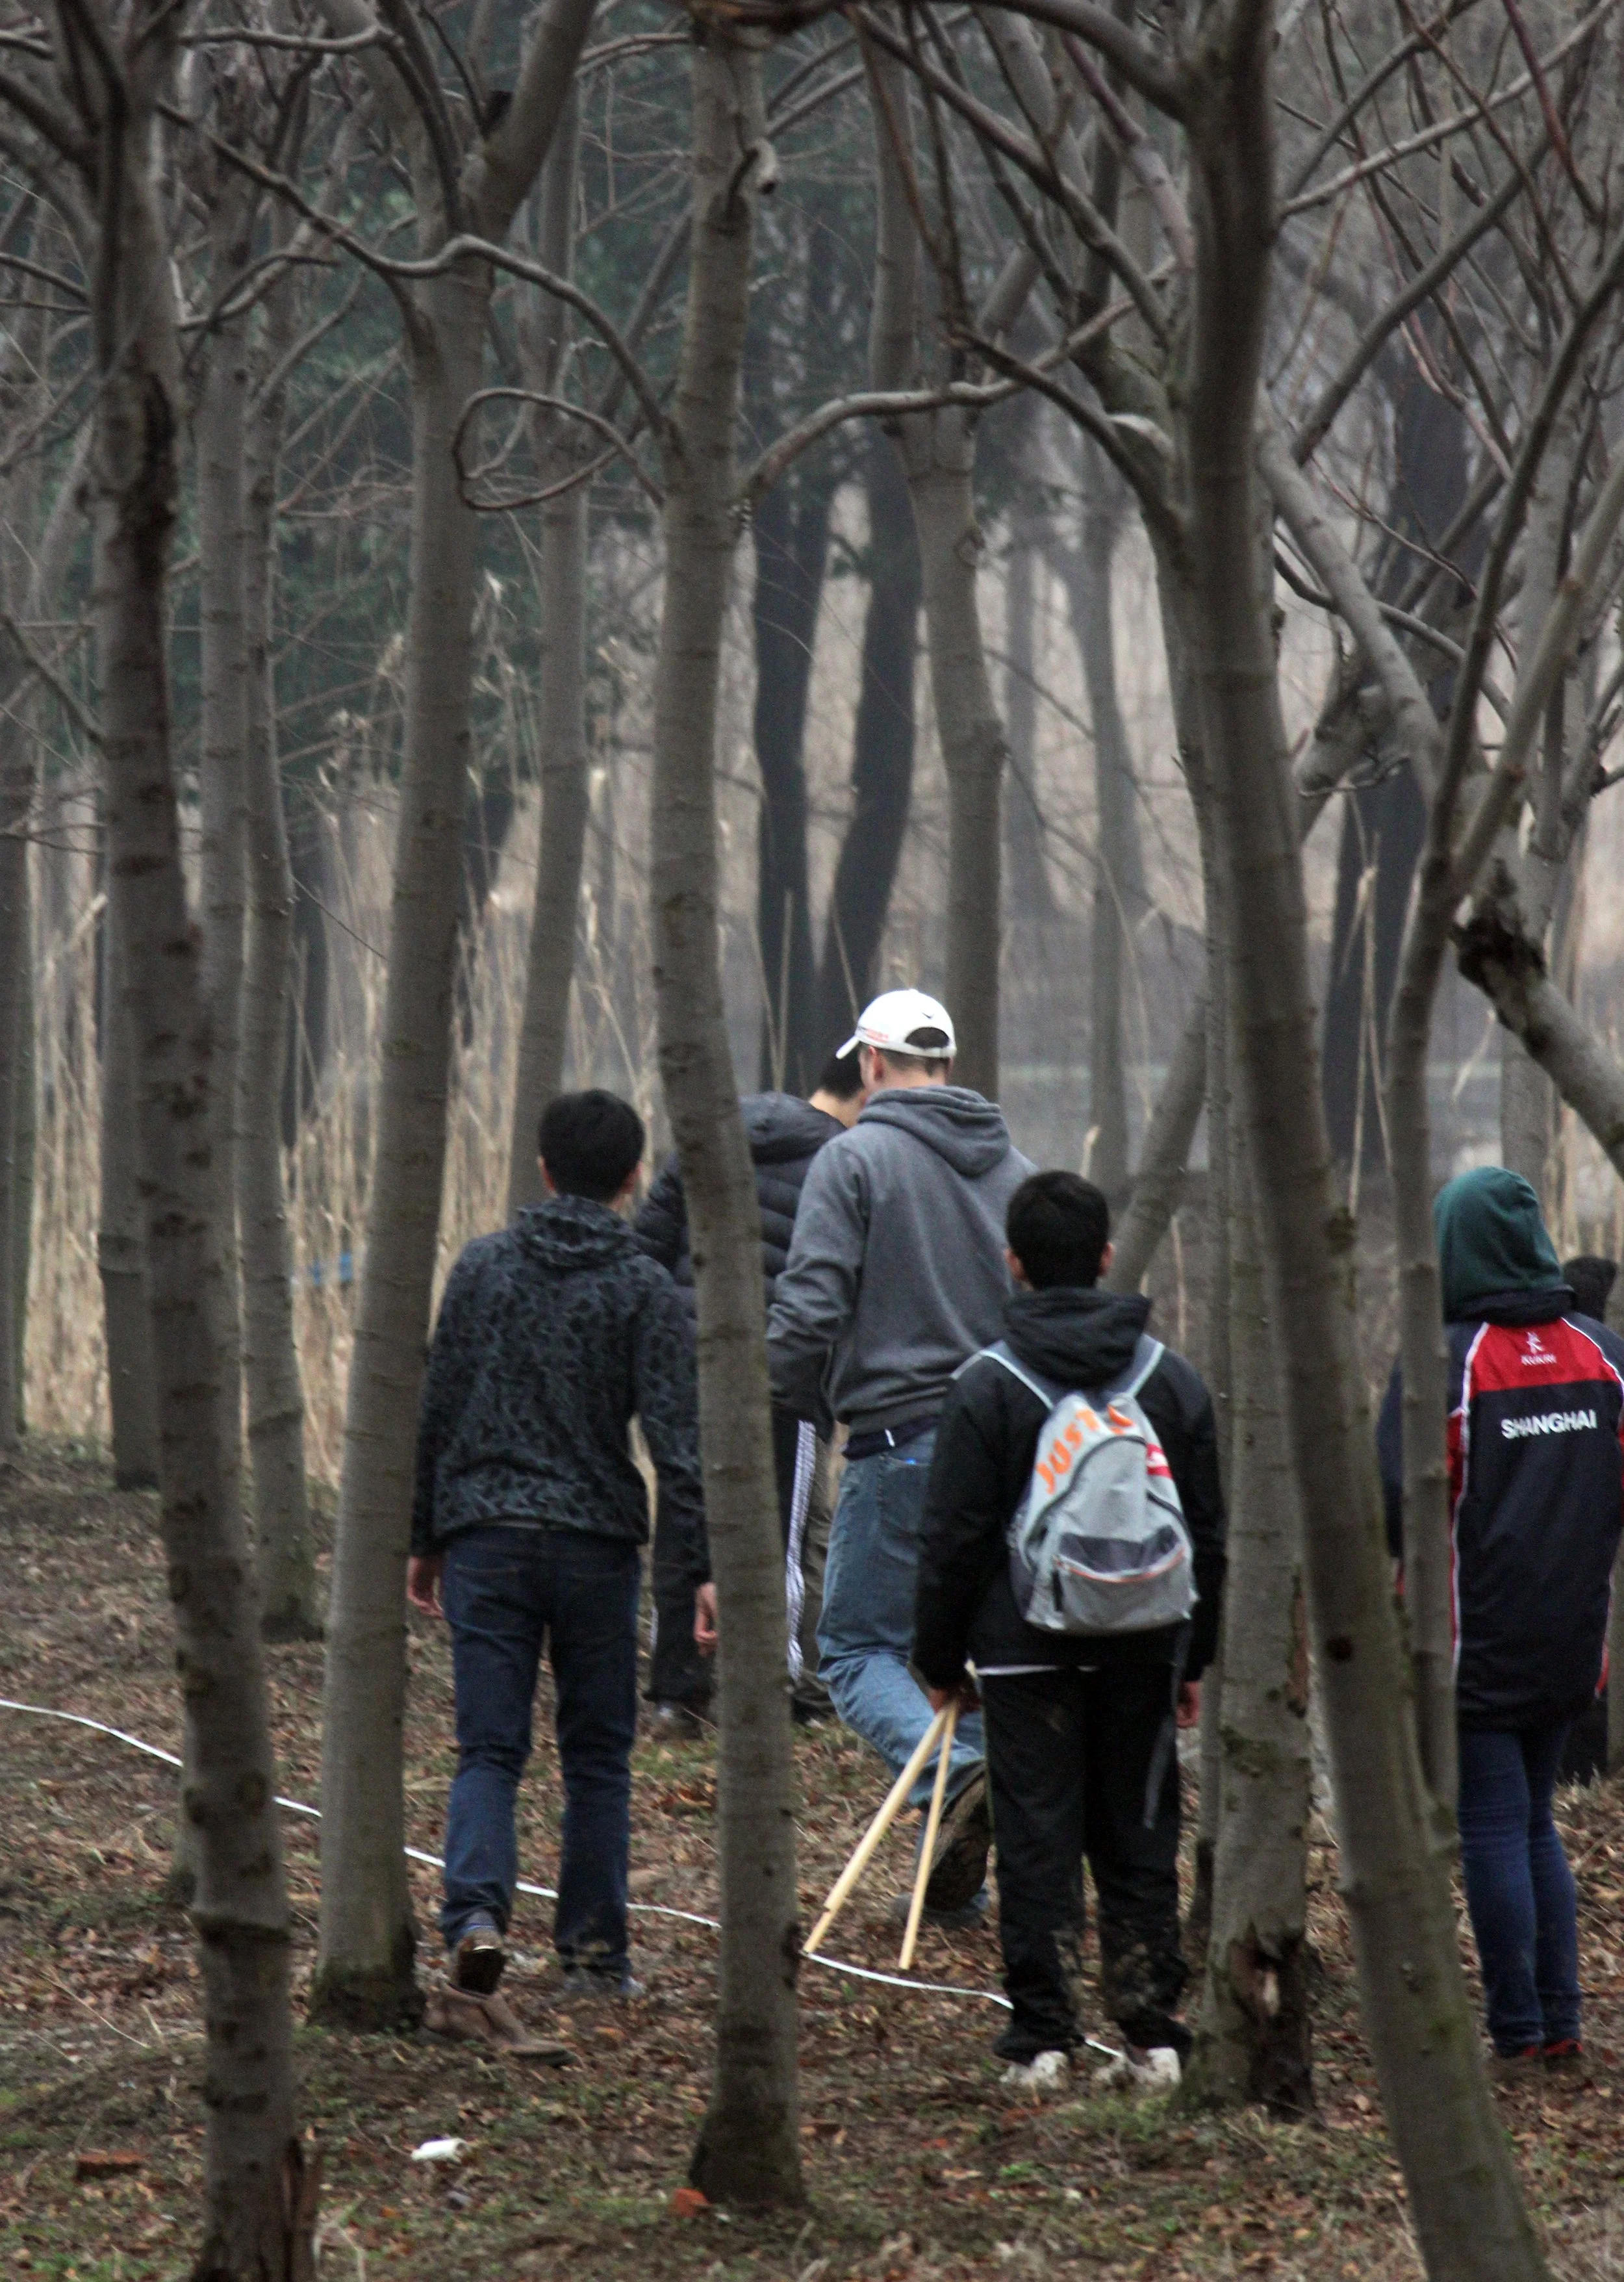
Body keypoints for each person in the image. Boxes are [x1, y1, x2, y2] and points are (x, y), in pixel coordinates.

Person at [912, 1171, 1226, 2094]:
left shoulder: (986, 1384)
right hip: (1146, 1641)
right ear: (1104, 1259)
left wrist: (938, 1661)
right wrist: (1191, 1655)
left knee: (1038, 1835)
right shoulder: (1169, 1378)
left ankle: (1043, 2038)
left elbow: (953, 1541)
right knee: (1138, 1829)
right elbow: (1208, 1530)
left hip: (1023, 1651)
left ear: (1012, 1264)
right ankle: (1152, 2034)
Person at [407, 1089, 711, 2003]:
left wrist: (425, 1537)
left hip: (487, 1537)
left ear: (542, 1169)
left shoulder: (483, 1267)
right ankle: (592, 1956)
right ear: (631, 1179)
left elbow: (439, 1411)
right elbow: (678, 1444)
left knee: (488, 1749)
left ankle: (475, 1918)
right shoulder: (645, 1287)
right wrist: (695, 1572)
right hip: (594, 1545)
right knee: (597, 1757)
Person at [768, 988, 1034, 1919]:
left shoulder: (853, 1159)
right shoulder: (1019, 1172)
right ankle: (964, 1891)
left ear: (872, 1065)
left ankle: (963, 1777)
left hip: (900, 1445)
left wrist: (760, 1392)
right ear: (947, 1067)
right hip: (1013, 1456)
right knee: (965, 1663)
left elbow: (808, 1309)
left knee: (851, 1650)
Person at [1377, 1168, 1624, 2070]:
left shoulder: (1442, 1362)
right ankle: (1558, 2021)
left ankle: (1518, 2029)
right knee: (1535, 1823)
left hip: (1466, 1639)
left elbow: (1392, 1499)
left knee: (1494, 1821)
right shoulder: (1605, 1355)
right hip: (1572, 1639)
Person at [635, 1047, 864, 1731]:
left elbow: (645, 1248)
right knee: (784, 1537)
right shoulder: (845, 1162)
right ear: (867, 1090)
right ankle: (781, 1689)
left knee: (681, 1524)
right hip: (786, 1382)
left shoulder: (710, 1133)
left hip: (687, 1369)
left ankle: (677, 1694)